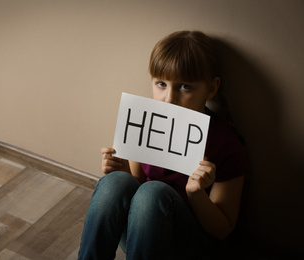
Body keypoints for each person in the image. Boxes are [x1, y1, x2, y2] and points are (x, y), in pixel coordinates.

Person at [78, 30, 247, 260]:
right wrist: (122, 171)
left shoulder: (226, 145)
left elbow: (222, 230)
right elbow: (135, 183)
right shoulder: (145, 122)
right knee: (115, 182)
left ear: (210, 88)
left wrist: (196, 195)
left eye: (185, 87)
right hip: (144, 235)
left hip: (192, 245)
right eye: (161, 84)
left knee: (152, 191)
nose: (169, 98)